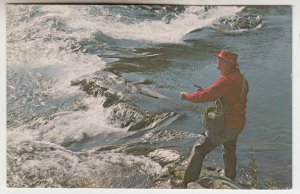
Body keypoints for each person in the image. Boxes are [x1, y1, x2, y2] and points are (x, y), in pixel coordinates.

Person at [178, 50, 249, 188]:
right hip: (238, 125)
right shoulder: (242, 79)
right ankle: (230, 179)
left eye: (220, 63)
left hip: (226, 126)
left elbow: (205, 95)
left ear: (229, 64)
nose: (218, 66)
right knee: (229, 149)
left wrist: (187, 96)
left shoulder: (226, 80)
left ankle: (185, 184)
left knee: (199, 149)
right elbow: (232, 98)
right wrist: (216, 95)